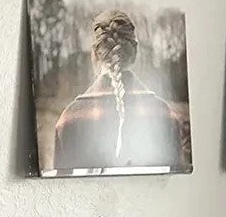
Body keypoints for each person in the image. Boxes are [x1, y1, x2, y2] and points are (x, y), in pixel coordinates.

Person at [52, 9, 191, 173]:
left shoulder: (68, 118)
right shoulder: (165, 114)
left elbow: (63, 188)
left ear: (95, 54)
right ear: (135, 53)